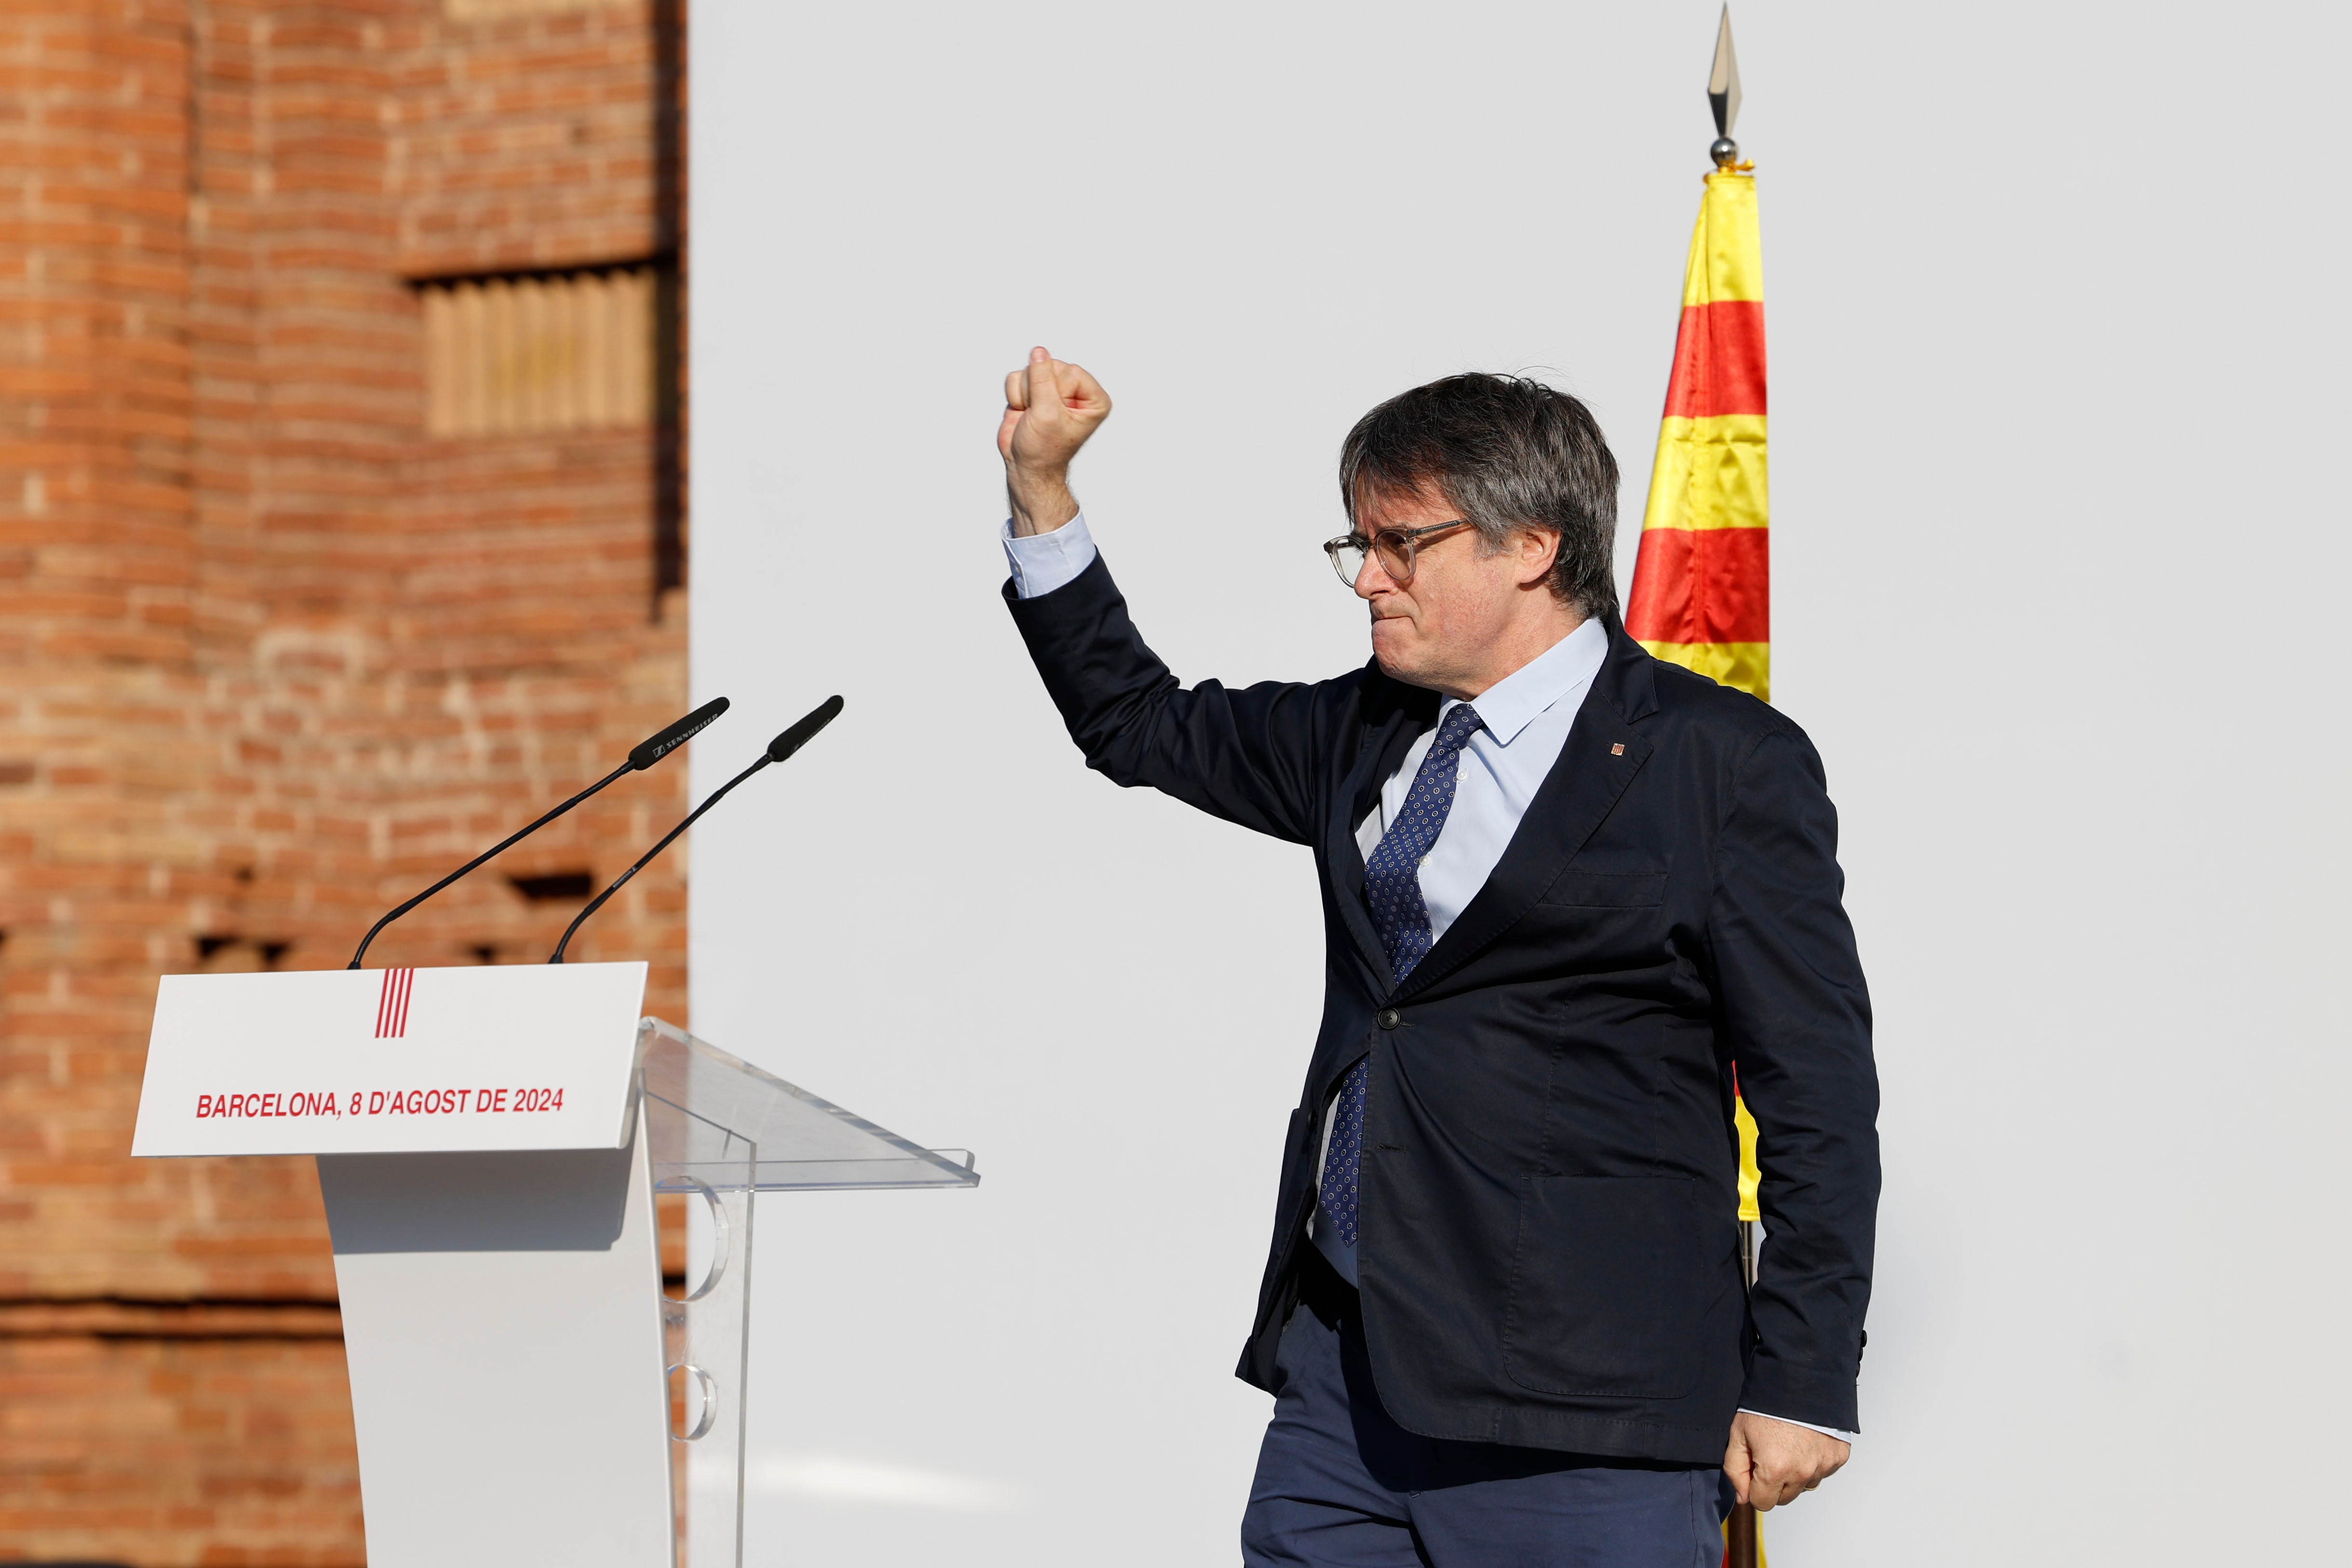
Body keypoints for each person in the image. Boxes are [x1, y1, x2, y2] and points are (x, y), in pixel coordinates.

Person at [994, 347, 1878, 1568]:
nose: (1365, 578)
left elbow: (1816, 1088)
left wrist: (1805, 1371)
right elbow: (1135, 723)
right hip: (1343, 1398)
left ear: (1532, 547)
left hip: (1583, 1418)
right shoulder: (1361, 728)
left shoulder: (1714, 763)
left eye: (1401, 543)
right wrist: (1042, 490)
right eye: (1354, 544)